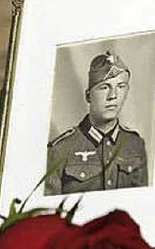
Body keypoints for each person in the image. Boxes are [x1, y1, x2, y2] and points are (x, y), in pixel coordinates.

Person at [45, 50, 148, 195]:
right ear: (88, 96)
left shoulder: (135, 144)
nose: (113, 96)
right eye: (104, 87)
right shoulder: (60, 149)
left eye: (120, 86)